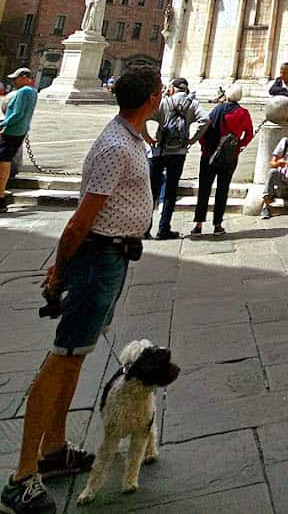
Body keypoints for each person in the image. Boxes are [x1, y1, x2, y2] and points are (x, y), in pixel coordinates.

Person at [1, 64, 162, 514]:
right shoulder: (115, 146)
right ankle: (20, 478)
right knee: (61, 358)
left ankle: (53, 451)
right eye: (159, 91)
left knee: (74, 357)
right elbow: (79, 220)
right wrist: (59, 269)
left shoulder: (129, 139)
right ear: (150, 98)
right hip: (96, 259)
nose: (162, 95)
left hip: (110, 258)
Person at [144, 77, 207, 241]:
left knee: (152, 191)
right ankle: (164, 229)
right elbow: (205, 120)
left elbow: (144, 116)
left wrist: (148, 139)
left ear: (172, 88)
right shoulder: (192, 104)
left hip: (159, 151)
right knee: (171, 191)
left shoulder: (165, 102)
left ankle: (145, 229)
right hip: (178, 153)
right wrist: (193, 140)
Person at [191, 83, 253, 238]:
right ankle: (217, 225)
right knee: (222, 190)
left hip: (209, 156)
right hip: (229, 157)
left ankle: (198, 225)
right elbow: (249, 134)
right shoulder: (243, 113)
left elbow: (205, 128)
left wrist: (205, 148)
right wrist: (239, 145)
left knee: (204, 189)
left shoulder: (217, 110)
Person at [0, 68, 39, 206]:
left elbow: (17, 114)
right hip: (20, 130)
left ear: (24, 78)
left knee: (3, 159)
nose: (14, 81)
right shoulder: (33, 92)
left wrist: (3, 125)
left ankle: (1, 194)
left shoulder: (24, 92)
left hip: (13, 131)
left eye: (16, 78)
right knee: (5, 158)